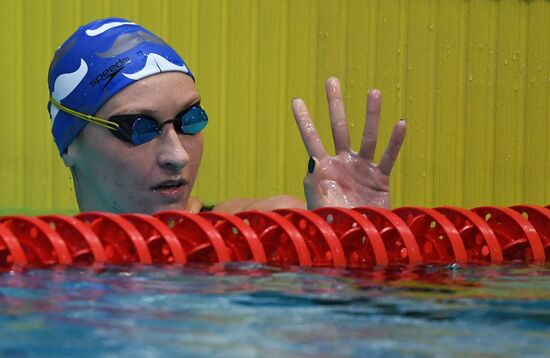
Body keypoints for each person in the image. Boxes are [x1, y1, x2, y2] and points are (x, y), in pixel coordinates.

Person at [47, 18, 406, 214]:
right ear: (69, 144)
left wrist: (353, 241)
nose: (178, 156)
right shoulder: (37, 266)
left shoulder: (259, 231)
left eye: (190, 120)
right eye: (139, 128)